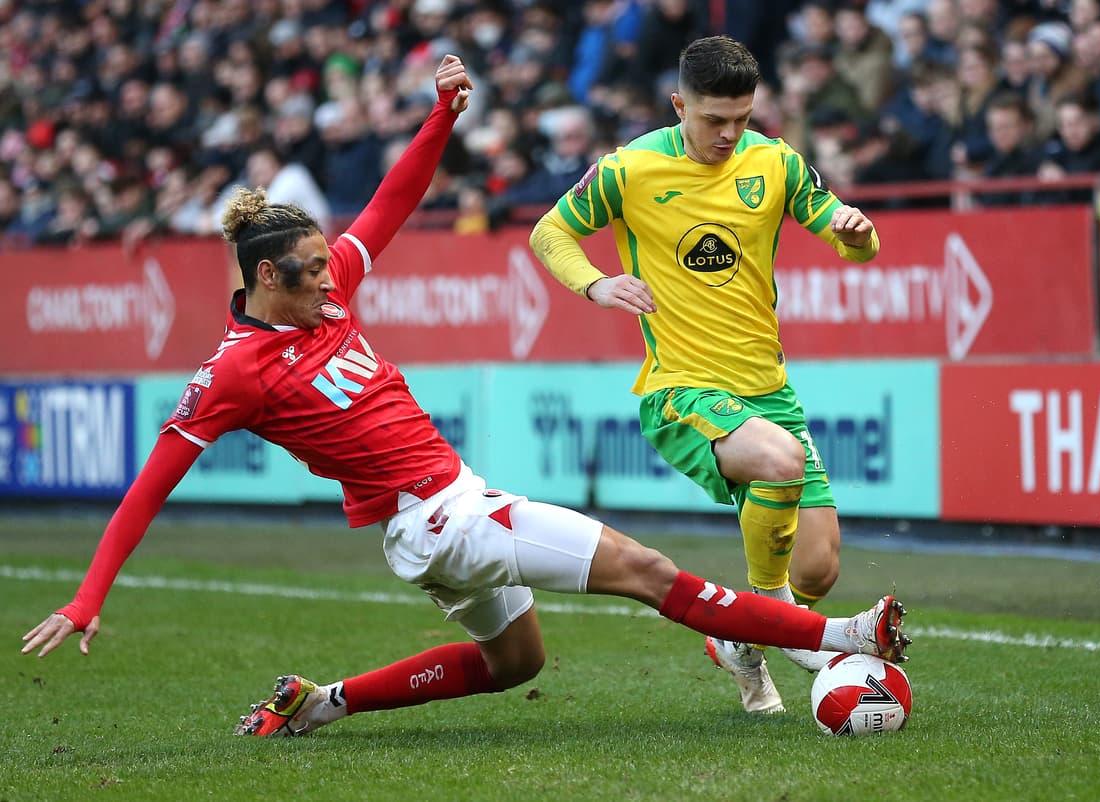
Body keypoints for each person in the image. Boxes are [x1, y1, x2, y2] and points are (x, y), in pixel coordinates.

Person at [19, 55, 910, 738]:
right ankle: (837, 638)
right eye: (311, 274)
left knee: (512, 664)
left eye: (332, 268)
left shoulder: (327, 289)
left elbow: (392, 202)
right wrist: (90, 595)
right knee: (650, 572)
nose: (334, 283)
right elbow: (152, 481)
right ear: (263, 277)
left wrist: (441, 115)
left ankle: (321, 704)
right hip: (445, 513)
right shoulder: (234, 372)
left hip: (425, 524)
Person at [529, 36, 907, 716]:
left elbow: (851, 240)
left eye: (742, 117)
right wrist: (595, 283)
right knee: (780, 461)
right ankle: (774, 616)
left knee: (818, 567)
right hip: (680, 389)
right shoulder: (630, 168)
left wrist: (857, 234)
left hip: (769, 390)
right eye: (713, 120)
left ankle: (740, 642)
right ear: (680, 105)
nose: (729, 133)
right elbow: (550, 233)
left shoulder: (774, 161)